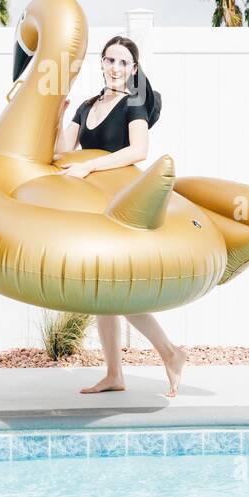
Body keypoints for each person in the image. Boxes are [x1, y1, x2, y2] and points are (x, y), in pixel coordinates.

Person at [53, 35, 188, 397]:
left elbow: (139, 150)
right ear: (102, 63)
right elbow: (61, 153)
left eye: (123, 62)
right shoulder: (85, 106)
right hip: (91, 204)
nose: (115, 68)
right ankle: (115, 374)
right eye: (110, 60)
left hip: (120, 203)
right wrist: (60, 114)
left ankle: (170, 353)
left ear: (133, 69)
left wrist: (92, 165)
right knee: (102, 293)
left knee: (118, 292)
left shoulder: (133, 106)